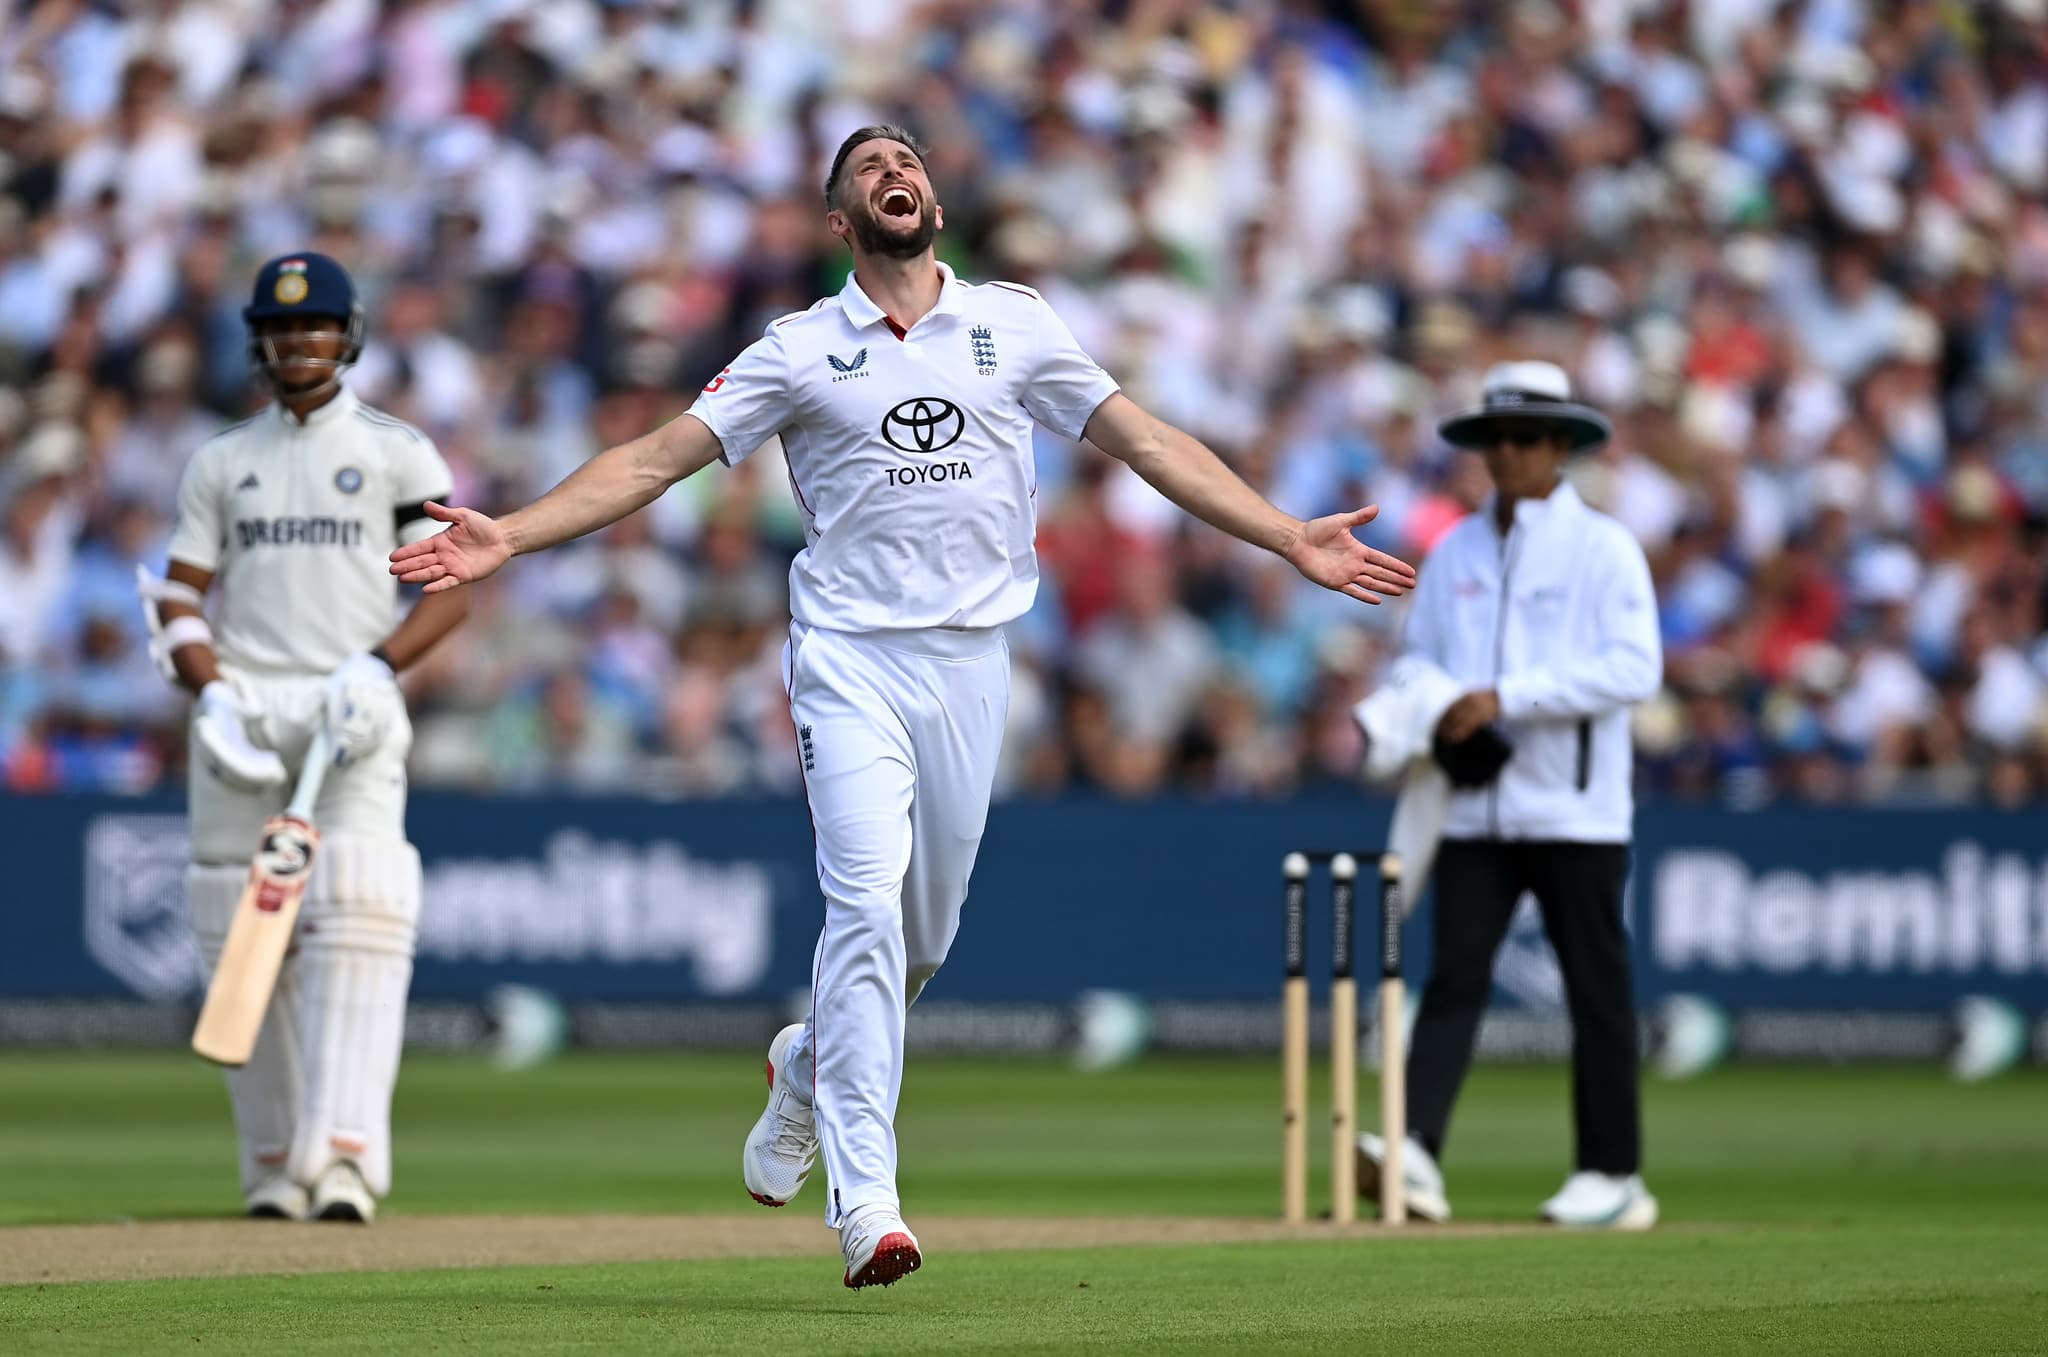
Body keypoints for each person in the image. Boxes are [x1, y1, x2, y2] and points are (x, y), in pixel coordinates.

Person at [390, 125, 1416, 1286]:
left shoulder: (1013, 323)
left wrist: (1283, 533)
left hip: (973, 661)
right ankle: (866, 1200)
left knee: (919, 942)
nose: (897, 172)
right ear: (839, 221)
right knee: (865, 910)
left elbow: (1145, 441)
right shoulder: (796, 349)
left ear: (934, 198)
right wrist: (510, 534)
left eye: (912, 160)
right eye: (870, 167)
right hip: (848, 659)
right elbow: (652, 460)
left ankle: (804, 1066)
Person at [143, 252, 469, 1222]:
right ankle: (276, 1162)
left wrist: (380, 665)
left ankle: (345, 1159)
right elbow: (181, 596)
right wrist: (207, 695)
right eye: (281, 328)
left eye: (315, 326)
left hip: (353, 710)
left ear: (348, 333)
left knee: (360, 918)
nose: (297, 342)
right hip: (245, 714)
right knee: (229, 921)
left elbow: (448, 583)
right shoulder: (221, 460)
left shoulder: (396, 449)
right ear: (260, 339)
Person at [1357, 361, 1663, 1229]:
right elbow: (1416, 657)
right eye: (1495, 439)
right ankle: (1413, 1147)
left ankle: (1614, 1173)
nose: (1507, 454)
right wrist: (1438, 701)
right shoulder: (1455, 548)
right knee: (1453, 978)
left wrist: (1509, 696)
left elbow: (1636, 667)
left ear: (1561, 445)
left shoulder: (1605, 546)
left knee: (1595, 990)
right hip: (1476, 804)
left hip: (1575, 810)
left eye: (1525, 438)